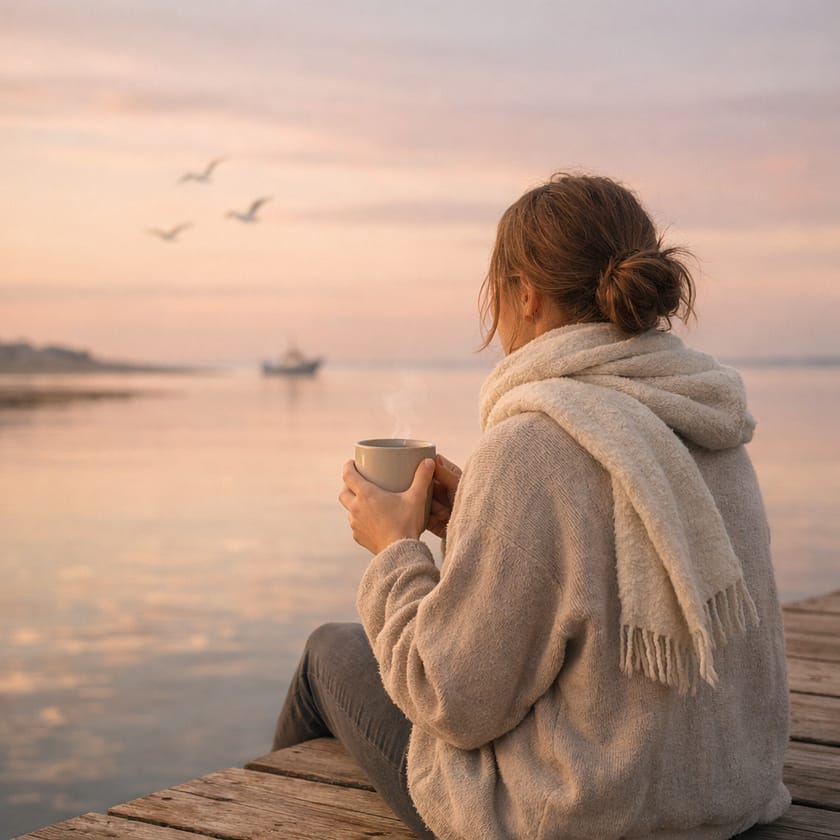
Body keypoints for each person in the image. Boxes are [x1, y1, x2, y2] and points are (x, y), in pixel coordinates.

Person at [272, 172, 791, 840]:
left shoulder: (531, 444)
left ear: (526, 295)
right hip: (725, 792)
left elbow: (452, 697)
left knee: (327, 655)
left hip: (581, 816)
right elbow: (601, 580)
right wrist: (471, 523)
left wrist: (395, 552)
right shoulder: (705, 421)